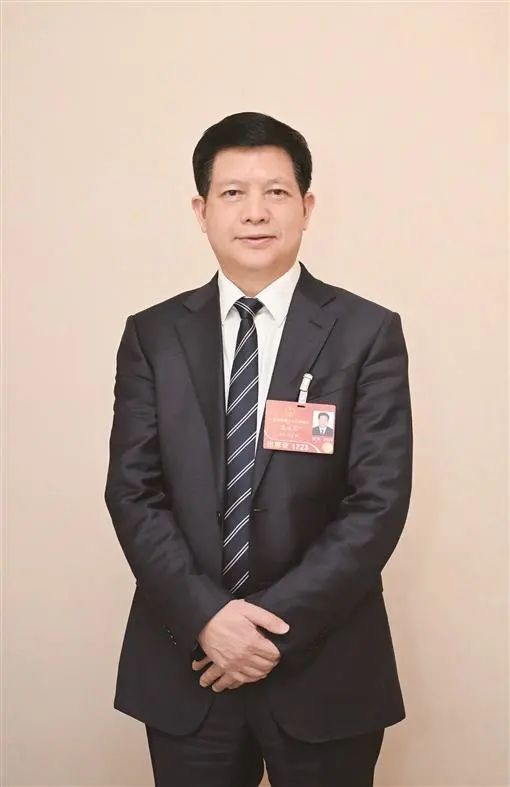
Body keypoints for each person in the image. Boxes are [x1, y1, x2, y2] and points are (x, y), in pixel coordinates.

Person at [104, 111, 413, 787]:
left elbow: (377, 503)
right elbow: (132, 492)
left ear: (306, 207)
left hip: (325, 664)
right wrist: (208, 618)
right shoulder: (153, 336)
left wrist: (268, 629)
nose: (255, 212)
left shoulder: (366, 332)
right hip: (190, 663)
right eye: (233, 193)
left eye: (275, 192)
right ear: (202, 211)